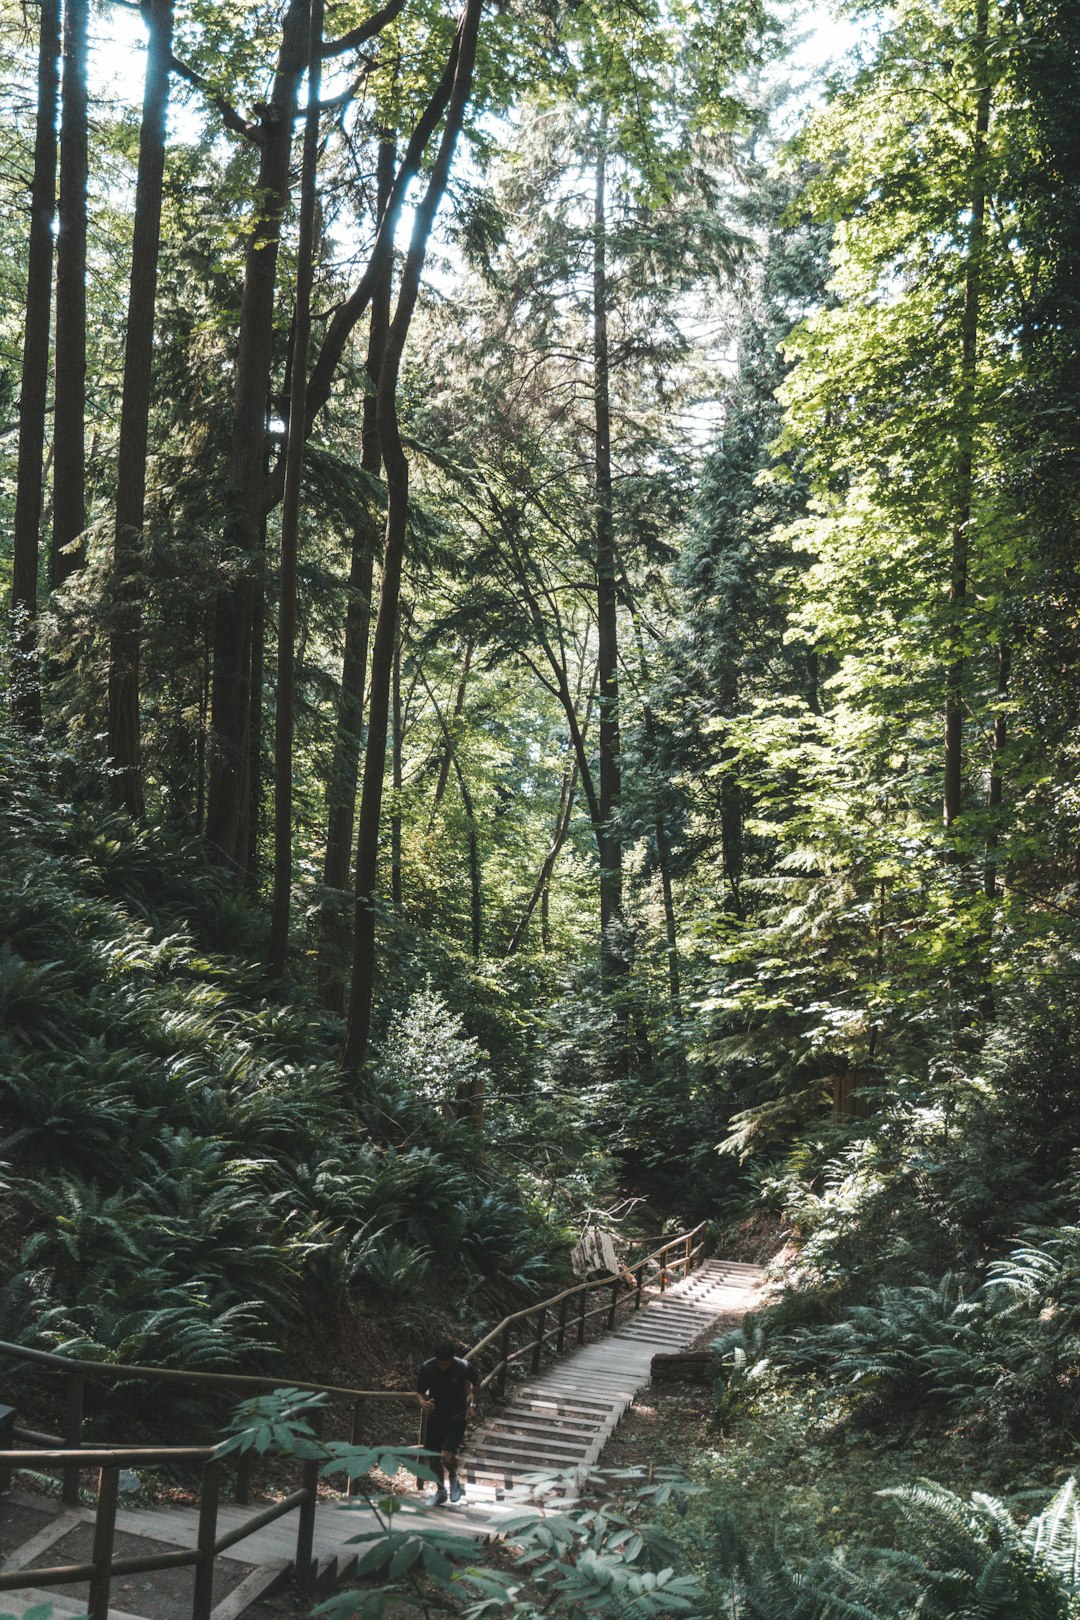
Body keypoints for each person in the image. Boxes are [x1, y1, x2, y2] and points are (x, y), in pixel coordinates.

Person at [416, 1338, 481, 1505]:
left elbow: (476, 1382)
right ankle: (441, 1491)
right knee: (433, 1458)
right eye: (440, 1363)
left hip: (456, 1417)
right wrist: (423, 1403)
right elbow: (419, 1392)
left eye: (446, 1363)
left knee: (447, 1455)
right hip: (436, 1418)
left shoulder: (463, 1366)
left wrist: (473, 1405)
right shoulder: (427, 1367)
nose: (443, 1367)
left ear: (452, 1359)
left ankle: (453, 1478)